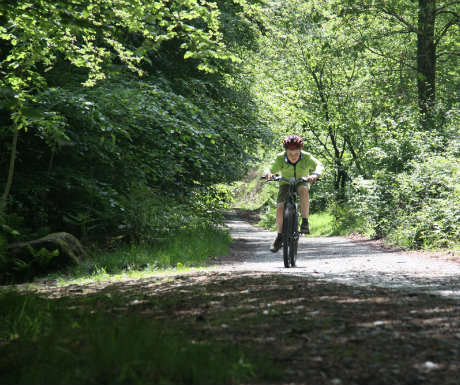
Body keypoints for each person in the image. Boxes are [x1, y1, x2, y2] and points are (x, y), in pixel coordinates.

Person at [265, 134, 324, 253]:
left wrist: (315, 174)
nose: (293, 156)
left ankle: (305, 222)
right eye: (290, 153)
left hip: (302, 181)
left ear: (300, 150)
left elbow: (319, 165)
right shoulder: (280, 158)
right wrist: (269, 174)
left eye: (296, 153)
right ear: (285, 151)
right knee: (280, 208)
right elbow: (270, 168)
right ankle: (280, 236)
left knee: (303, 190)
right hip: (285, 183)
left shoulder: (307, 157)